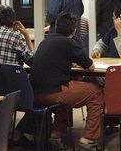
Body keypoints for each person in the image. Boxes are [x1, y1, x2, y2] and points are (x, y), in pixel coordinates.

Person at [26, 12, 101, 149]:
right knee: (95, 92)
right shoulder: (69, 43)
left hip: (34, 94)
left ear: (56, 27)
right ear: (74, 30)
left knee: (64, 102)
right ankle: (88, 139)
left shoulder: (45, 41)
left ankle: (56, 136)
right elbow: (90, 66)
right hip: (53, 92)